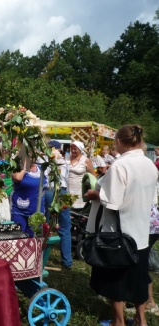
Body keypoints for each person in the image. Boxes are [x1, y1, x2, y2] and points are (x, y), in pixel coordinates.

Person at [84, 125, 158, 326]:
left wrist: (94, 195)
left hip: (119, 235)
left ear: (118, 142)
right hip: (141, 232)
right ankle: (141, 320)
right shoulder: (150, 164)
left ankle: (119, 322)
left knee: (116, 282)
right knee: (139, 279)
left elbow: (113, 202)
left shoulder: (120, 166)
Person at [44, 140, 72, 268]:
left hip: (51, 190)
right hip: (63, 190)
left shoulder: (48, 160)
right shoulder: (65, 161)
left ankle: (40, 257)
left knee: (45, 224)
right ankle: (67, 261)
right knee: (65, 227)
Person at [11, 159, 47, 237]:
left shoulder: (41, 169)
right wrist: (24, 167)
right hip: (19, 212)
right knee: (18, 239)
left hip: (36, 213)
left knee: (33, 241)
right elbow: (17, 178)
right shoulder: (18, 168)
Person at [67, 141, 96, 211]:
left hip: (79, 191)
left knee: (77, 211)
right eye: (71, 149)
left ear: (80, 150)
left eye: (75, 149)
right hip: (67, 190)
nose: (73, 151)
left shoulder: (86, 160)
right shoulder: (67, 158)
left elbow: (93, 176)